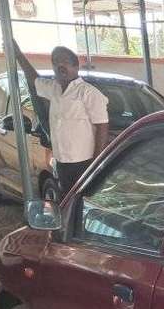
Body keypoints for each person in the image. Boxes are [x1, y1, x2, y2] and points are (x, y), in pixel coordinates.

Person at [13, 42, 109, 197]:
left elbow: (102, 127)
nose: (60, 65)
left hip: (84, 163)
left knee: (84, 201)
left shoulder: (88, 93)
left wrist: (95, 162)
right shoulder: (54, 89)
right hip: (61, 162)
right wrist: (18, 54)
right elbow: (34, 79)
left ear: (76, 66)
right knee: (67, 201)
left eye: (64, 61)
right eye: (56, 62)